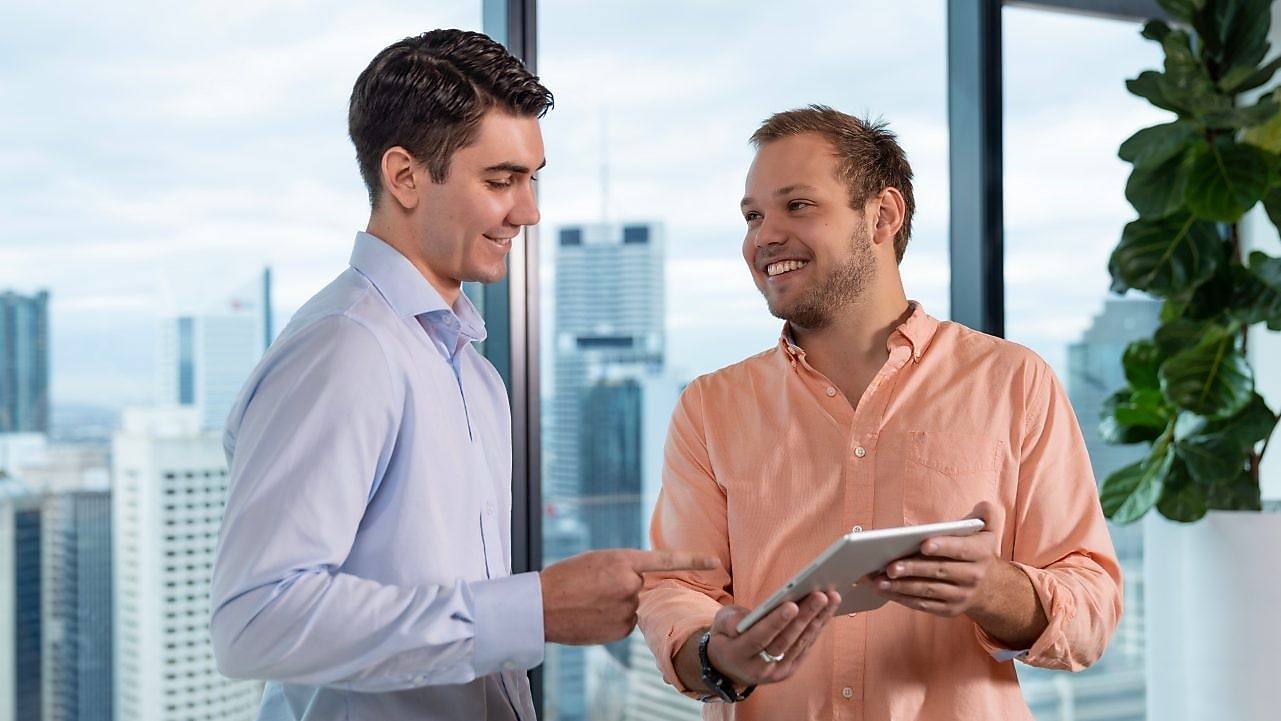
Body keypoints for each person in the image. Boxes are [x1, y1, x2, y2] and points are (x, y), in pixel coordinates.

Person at [209, 29, 715, 721]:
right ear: (405, 175)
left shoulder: (473, 374)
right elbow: (255, 620)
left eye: (532, 179)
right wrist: (533, 607)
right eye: (500, 181)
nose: (529, 211)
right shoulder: (345, 348)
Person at [636, 105, 1122, 719]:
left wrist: (992, 589)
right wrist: (716, 655)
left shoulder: (1014, 381)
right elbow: (676, 590)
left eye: (798, 206)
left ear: (882, 217)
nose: (765, 236)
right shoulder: (708, 407)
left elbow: (1093, 609)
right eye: (754, 215)